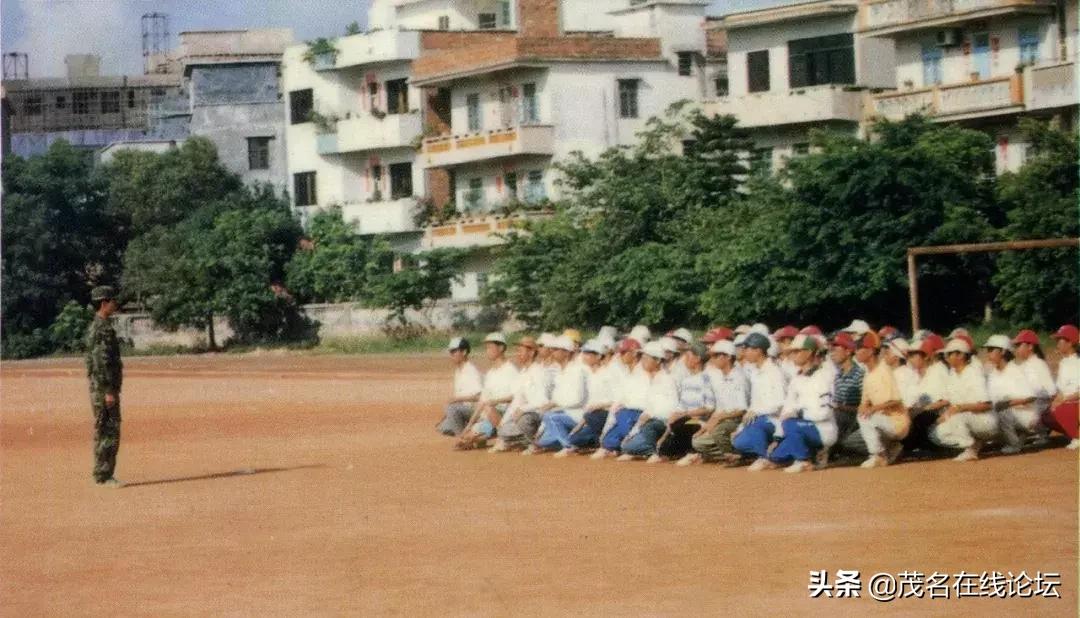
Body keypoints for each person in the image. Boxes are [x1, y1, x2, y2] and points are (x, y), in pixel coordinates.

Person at [765, 334, 836, 473]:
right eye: (792, 352)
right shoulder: (796, 379)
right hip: (800, 426)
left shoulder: (824, 375)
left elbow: (824, 412)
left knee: (790, 423)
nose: (792, 355)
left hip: (822, 429)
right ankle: (812, 454)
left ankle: (804, 461)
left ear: (809, 352)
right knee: (773, 457)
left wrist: (799, 413)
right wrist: (778, 437)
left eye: (796, 351)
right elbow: (787, 409)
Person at [680, 340, 750, 466]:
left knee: (718, 432)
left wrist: (718, 419)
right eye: (712, 356)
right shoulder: (721, 377)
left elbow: (741, 410)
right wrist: (706, 427)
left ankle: (736, 456)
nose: (712, 359)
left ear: (728, 357)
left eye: (717, 355)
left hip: (736, 419)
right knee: (697, 441)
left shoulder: (739, 377)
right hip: (723, 419)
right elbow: (719, 409)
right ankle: (733, 454)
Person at [930, 338, 996, 462]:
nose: (946, 357)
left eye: (949, 354)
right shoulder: (953, 374)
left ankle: (970, 447)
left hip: (985, 420)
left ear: (960, 355)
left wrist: (960, 408)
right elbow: (950, 401)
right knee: (937, 433)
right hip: (967, 420)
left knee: (957, 416)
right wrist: (944, 416)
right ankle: (974, 445)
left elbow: (986, 405)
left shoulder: (974, 373)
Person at [85, 286, 124, 488]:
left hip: (100, 387)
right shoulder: (102, 328)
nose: (115, 304)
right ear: (104, 303)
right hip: (103, 389)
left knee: (106, 429)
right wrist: (109, 390)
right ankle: (104, 475)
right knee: (108, 430)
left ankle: (103, 473)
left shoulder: (99, 326)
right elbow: (101, 362)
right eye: (112, 300)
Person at [731, 333, 787, 470]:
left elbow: (780, 403)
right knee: (738, 441)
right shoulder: (755, 371)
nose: (745, 352)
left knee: (757, 424)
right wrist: (740, 428)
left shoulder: (774, 371)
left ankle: (765, 458)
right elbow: (755, 403)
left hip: (776, 419)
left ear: (758, 350)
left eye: (748, 349)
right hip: (759, 417)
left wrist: (756, 412)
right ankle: (772, 451)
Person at [651, 343, 715, 462]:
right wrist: (672, 419)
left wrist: (686, 414)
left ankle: (693, 453)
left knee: (681, 424)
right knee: (664, 446)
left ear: (697, 359)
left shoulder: (706, 379)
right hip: (684, 420)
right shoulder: (686, 380)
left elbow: (709, 408)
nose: (685, 359)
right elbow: (681, 407)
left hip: (700, 420)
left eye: (688, 355)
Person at [617, 342, 680, 461]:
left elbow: (670, 408)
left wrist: (650, 415)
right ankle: (648, 449)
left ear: (657, 360)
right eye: (642, 358)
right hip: (647, 422)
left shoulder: (668, 379)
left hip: (662, 423)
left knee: (650, 426)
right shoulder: (647, 379)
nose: (642, 361)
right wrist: (632, 434)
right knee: (625, 446)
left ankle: (654, 452)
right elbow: (647, 409)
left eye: (646, 358)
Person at [855, 331, 909, 468]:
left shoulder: (884, 370)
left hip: (897, 422)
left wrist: (872, 409)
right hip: (883, 420)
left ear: (871, 351)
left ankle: (878, 456)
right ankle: (891, 448)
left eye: (860, 348)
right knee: (857, 428)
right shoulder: (868, 374)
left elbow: (896, 400)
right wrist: (863, 408)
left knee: (865, 418)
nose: (856, 351)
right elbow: (864, 402)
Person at [456, 333, 519, 449]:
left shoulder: (511, 370)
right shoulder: (490, 373)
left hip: (506, 414)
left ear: (501, 348)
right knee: (465, 440)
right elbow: (482, 402)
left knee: (488, 407)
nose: (487, 351)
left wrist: (495, 401)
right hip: (489, 414)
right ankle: (483, 437)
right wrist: (469, 426)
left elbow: (516, 397)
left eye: (490, 347)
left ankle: (504, 438)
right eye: (486, 348)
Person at [527, 336, 589, 455]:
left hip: (578, 415)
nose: (552, 352)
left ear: (566, 352)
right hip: (564, 413)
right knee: (542, 442)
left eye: (555, 349)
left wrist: (555, 404)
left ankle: (569, 446)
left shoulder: (578, 370)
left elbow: (577, 399)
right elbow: (557, 398)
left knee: (550, 416)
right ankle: (571, 441)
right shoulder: (559, 371)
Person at [982, 335, 1039, 455]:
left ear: (1003, 351)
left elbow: (1031, 397)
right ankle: (1015, 437)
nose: (988, 354)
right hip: (1012, 414)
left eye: (992, 350)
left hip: (1026, 415)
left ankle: (1015, 444)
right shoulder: (993, 373)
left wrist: (1007, 403)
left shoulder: (1015, 370)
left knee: (1001, 411)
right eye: (988, 350)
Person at [592, 338, 647, 459]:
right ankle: (615, 447)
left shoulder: (643, 371)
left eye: (624, 353)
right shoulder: (626, 371)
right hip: (625, 411)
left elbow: (643, 399)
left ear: (633, 354)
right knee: (607, 438)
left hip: (638, 411)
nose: (620, 356)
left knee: (622, 420)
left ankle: (630, 448)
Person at [490, 337, 548, 452]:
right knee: (503, 429)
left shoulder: (539, 372)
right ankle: (519, 441)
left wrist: (524, 409)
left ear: (531, 353)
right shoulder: (522, 373)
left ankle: (534, 443)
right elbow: (516, 401)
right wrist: (503, 422)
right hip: (522, 414)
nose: (518, 354)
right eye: (517, 351)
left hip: (537, 415)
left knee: (524, 421)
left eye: (521, 351)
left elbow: (543, 401)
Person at [561, 339, 616, 456]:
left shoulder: (608, 374)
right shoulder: (590, 375)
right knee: (573, 439)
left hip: (607, 414)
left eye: (589, 353)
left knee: (592, 417)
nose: (585, 356)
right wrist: (580, 425)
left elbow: (615, 399)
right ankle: (598, 441)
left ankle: (607, 442)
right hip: (592, 416)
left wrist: (599, 405)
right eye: (584, 353)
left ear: (599, 356)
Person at [1011, 329, 1057, 444]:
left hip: (1038, 407)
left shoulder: (1039, 365)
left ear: (1030, 347)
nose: (1016, 349)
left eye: (1019, 345)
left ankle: (1041, 432)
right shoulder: (1024, 365)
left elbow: (1051, 391)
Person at [829, 332, 866, 456]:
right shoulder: (838, 374)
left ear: (848, 351)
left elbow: (864, 406)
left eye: (836, 350)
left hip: (855, 419)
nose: (832, 353)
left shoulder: (859, 375)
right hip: (842, 416)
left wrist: (841, 407)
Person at [437, 337, 483, 436]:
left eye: (454, 351)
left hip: (476, 412)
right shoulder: (459, 370)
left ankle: (463, 437)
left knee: (452, 408)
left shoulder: (471, 371)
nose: (451, 355)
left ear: (464, 352)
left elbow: (480, 397)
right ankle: (467, 428)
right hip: (463, 410)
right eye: (451, 352)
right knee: (442, 427)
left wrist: (457, 399)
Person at [1047, 325, 1080, 449]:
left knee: (1061, 409)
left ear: (1070, 342)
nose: (1057, 343)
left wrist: (1065, 400)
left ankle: (1077, 437)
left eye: (1060, 340)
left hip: (1076, 401)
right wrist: (1056, 401)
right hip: (1070, 402)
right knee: (1046, 415)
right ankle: (1072, 434)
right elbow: (1061, 389)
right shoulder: (1063, 362)